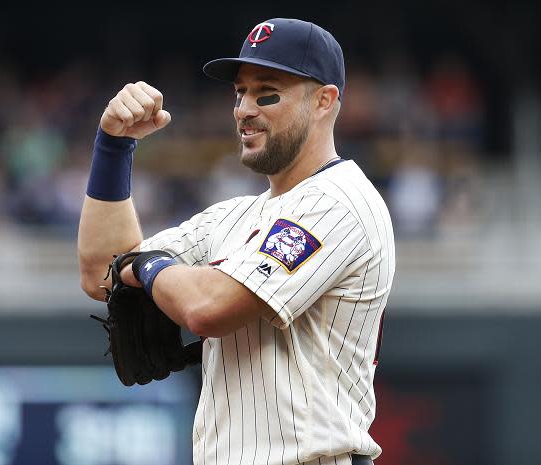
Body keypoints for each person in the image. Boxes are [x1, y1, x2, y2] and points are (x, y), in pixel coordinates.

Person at [78, 18, 395, 465]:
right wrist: (114, 148)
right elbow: (102, 271)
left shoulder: (339, 200)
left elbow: (208, 308)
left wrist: (147, 268)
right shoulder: (236, 215)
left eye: (267, 91)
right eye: (239, 93)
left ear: (324, 101)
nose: (245, 108)